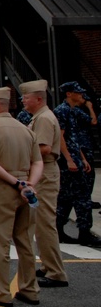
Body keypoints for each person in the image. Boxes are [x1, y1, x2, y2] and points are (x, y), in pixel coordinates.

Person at [0, 87, 43, 307]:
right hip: (27, 189)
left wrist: (15, 182)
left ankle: (1, 293)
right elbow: (38, 162)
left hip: (3, 188)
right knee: (25, 241)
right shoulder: (26, 130)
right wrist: (29, 183)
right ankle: (30, 289)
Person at [18, 80, 68, 289]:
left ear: (38, 99)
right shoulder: (39, 117)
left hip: (45, 173)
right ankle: (49, 265)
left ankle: (56, 272)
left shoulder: (44, 119)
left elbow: (44, 148)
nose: (23, 101)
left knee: (46, 223)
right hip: (42, 173)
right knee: (40, 223)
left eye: (26, 98)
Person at [54, 82, 100, 246]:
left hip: (75, 158)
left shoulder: (72, 111)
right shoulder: (62, 111)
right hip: (69, 162)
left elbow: (72, 139)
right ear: (69, 94)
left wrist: (82, 158)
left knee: (67, 197)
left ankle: (58, 230)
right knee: (81, 198)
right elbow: (60, 137)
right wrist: (69, 159)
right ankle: (84, 233)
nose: (81, 95)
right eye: (78, 92)